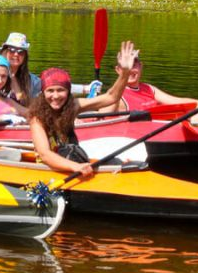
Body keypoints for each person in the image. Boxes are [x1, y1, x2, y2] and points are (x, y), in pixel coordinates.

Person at [30, 41, 138, 181]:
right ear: (43, 93)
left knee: (118, 162)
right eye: (50, 91)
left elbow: (111, 97)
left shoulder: (73, 105)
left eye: (60, 90)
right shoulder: (37, 118)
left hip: (71, 160)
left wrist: (125, 73)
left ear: (68, 92)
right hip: (50, 169)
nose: (55, 96)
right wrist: (75, 166)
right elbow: (44, 154)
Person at [0, 0, 90, 102]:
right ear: (5, 51)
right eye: (12, 50)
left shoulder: (30, 80)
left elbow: (54, 85)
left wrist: (86, 89)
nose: (16, 54)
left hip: (18, 115)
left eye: (21, 51)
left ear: (25, 56)